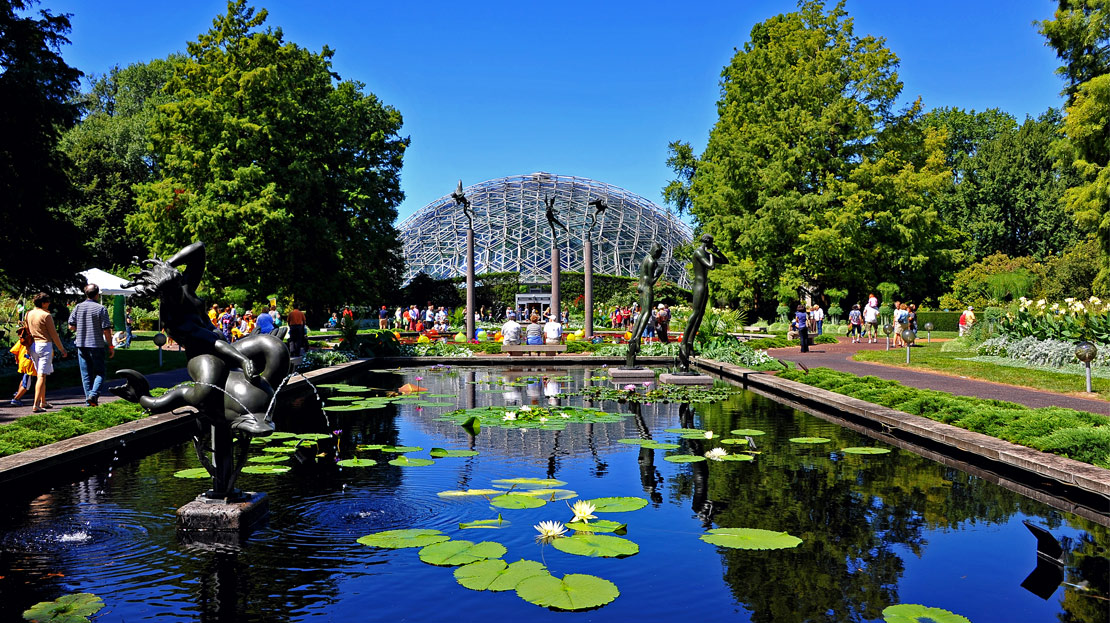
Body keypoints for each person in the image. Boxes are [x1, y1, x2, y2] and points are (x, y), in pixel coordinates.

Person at [68, 284, 115, 407]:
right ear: (97, 294)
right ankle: (93, 395)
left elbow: (71, 326)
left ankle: (90, 402)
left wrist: (83, 327)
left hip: (81, 344)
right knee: (100, 372)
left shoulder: (78, 307)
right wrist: (111, 346)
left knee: (86, 374)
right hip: (96, 345)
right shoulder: (101, 309)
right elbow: (106, 329)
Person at [26, 292, 67, 412]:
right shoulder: (46, 315)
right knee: (41, 376)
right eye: (47, 301)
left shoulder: (29, 313)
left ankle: (43, 401)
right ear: (43, 303)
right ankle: (36, 404)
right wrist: (62, 349)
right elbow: (54, 334)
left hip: (33, 345)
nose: (49, 304)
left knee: (41, 374)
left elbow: (27, 332)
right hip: (45, 345)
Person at [9, 334, 35, 406]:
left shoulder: (22, 340)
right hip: (29, 363)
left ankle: (18, 393)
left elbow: (15, 350)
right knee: (27, 383)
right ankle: (16, 399)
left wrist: (17, 359)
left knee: (24, 379)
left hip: (23, 361)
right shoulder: (31, 340)